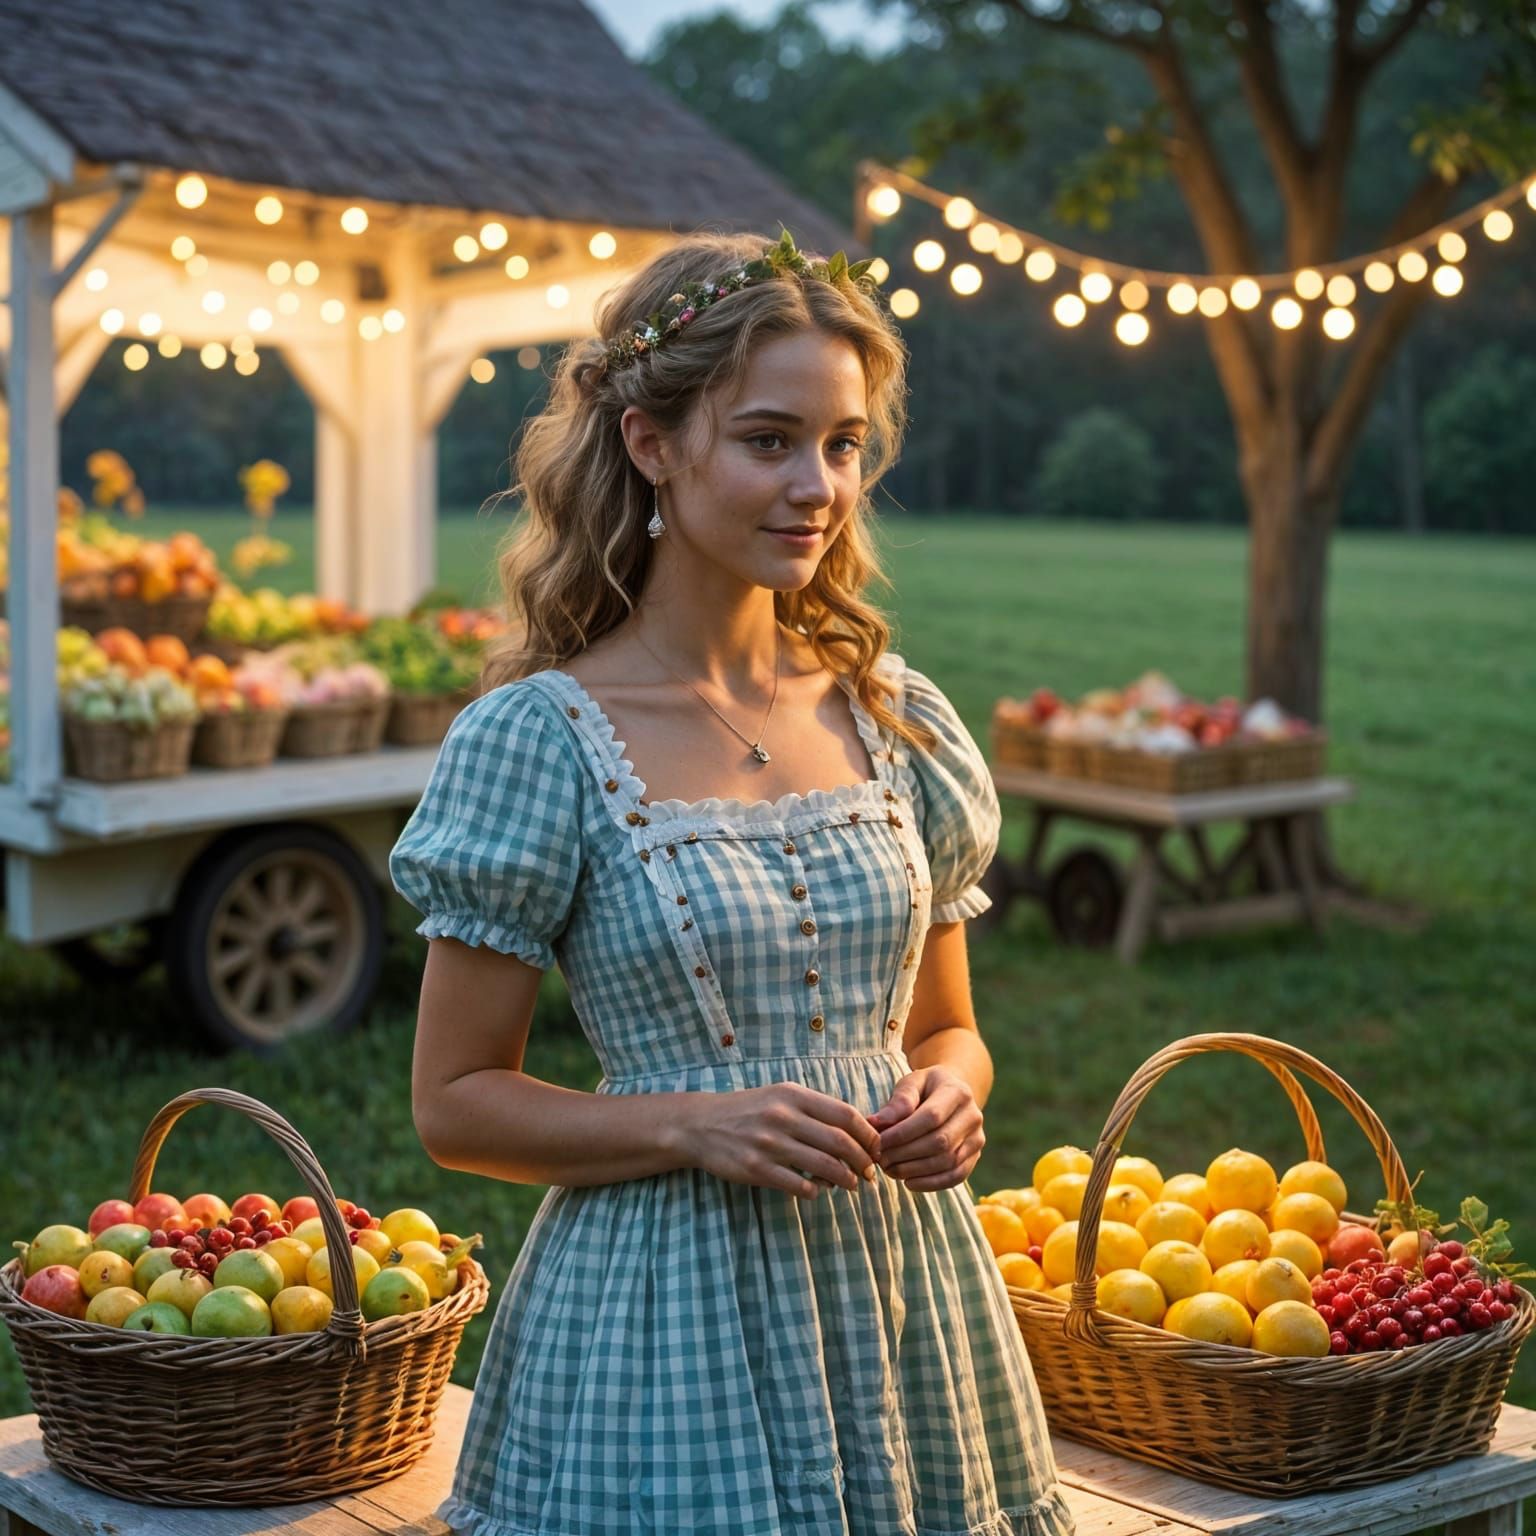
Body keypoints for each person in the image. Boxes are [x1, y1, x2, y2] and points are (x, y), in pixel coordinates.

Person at [389, 228, 1074, 1536]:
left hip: (901, 1302)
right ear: (652, 441)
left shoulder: (898, 720)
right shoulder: (542, 741)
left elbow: (945, 1027)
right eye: (769, 439)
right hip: (662, 1313)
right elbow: (455, 1106)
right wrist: (693, 1123)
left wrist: (953, 1094)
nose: (817, 485)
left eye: (843, 444)